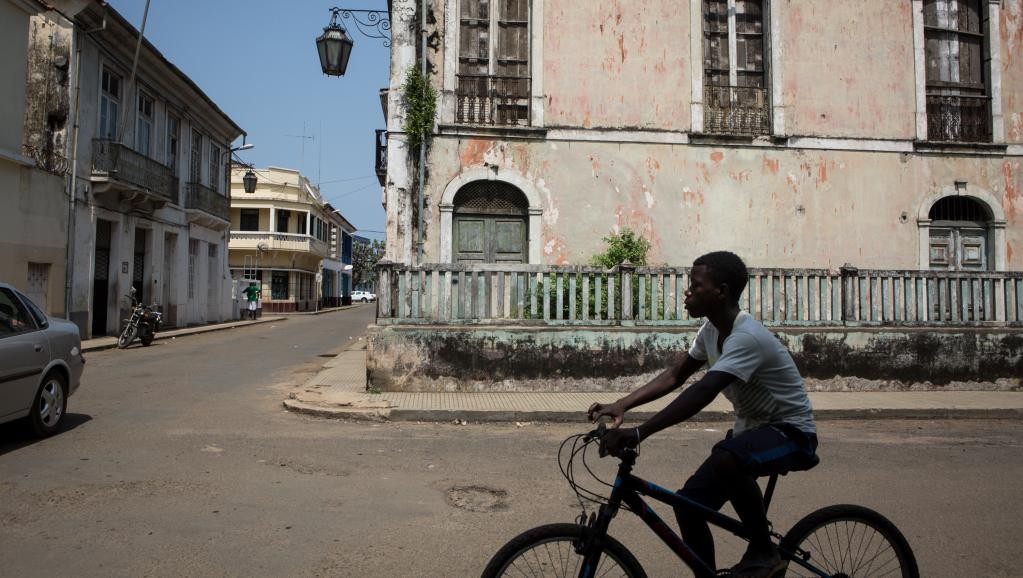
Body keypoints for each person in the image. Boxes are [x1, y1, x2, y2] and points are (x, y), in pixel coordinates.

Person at [588, 251, 818, 578]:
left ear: (721, 292)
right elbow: (675, 376)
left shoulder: (745, 337)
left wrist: (640, 433)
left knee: (727, 458)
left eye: (695, 285)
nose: (687, 292)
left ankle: (765, 552)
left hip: (791, 434)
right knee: (688, 507)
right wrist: (623, 404)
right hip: (750, 433)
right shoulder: (711, 331)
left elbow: (702, 391)